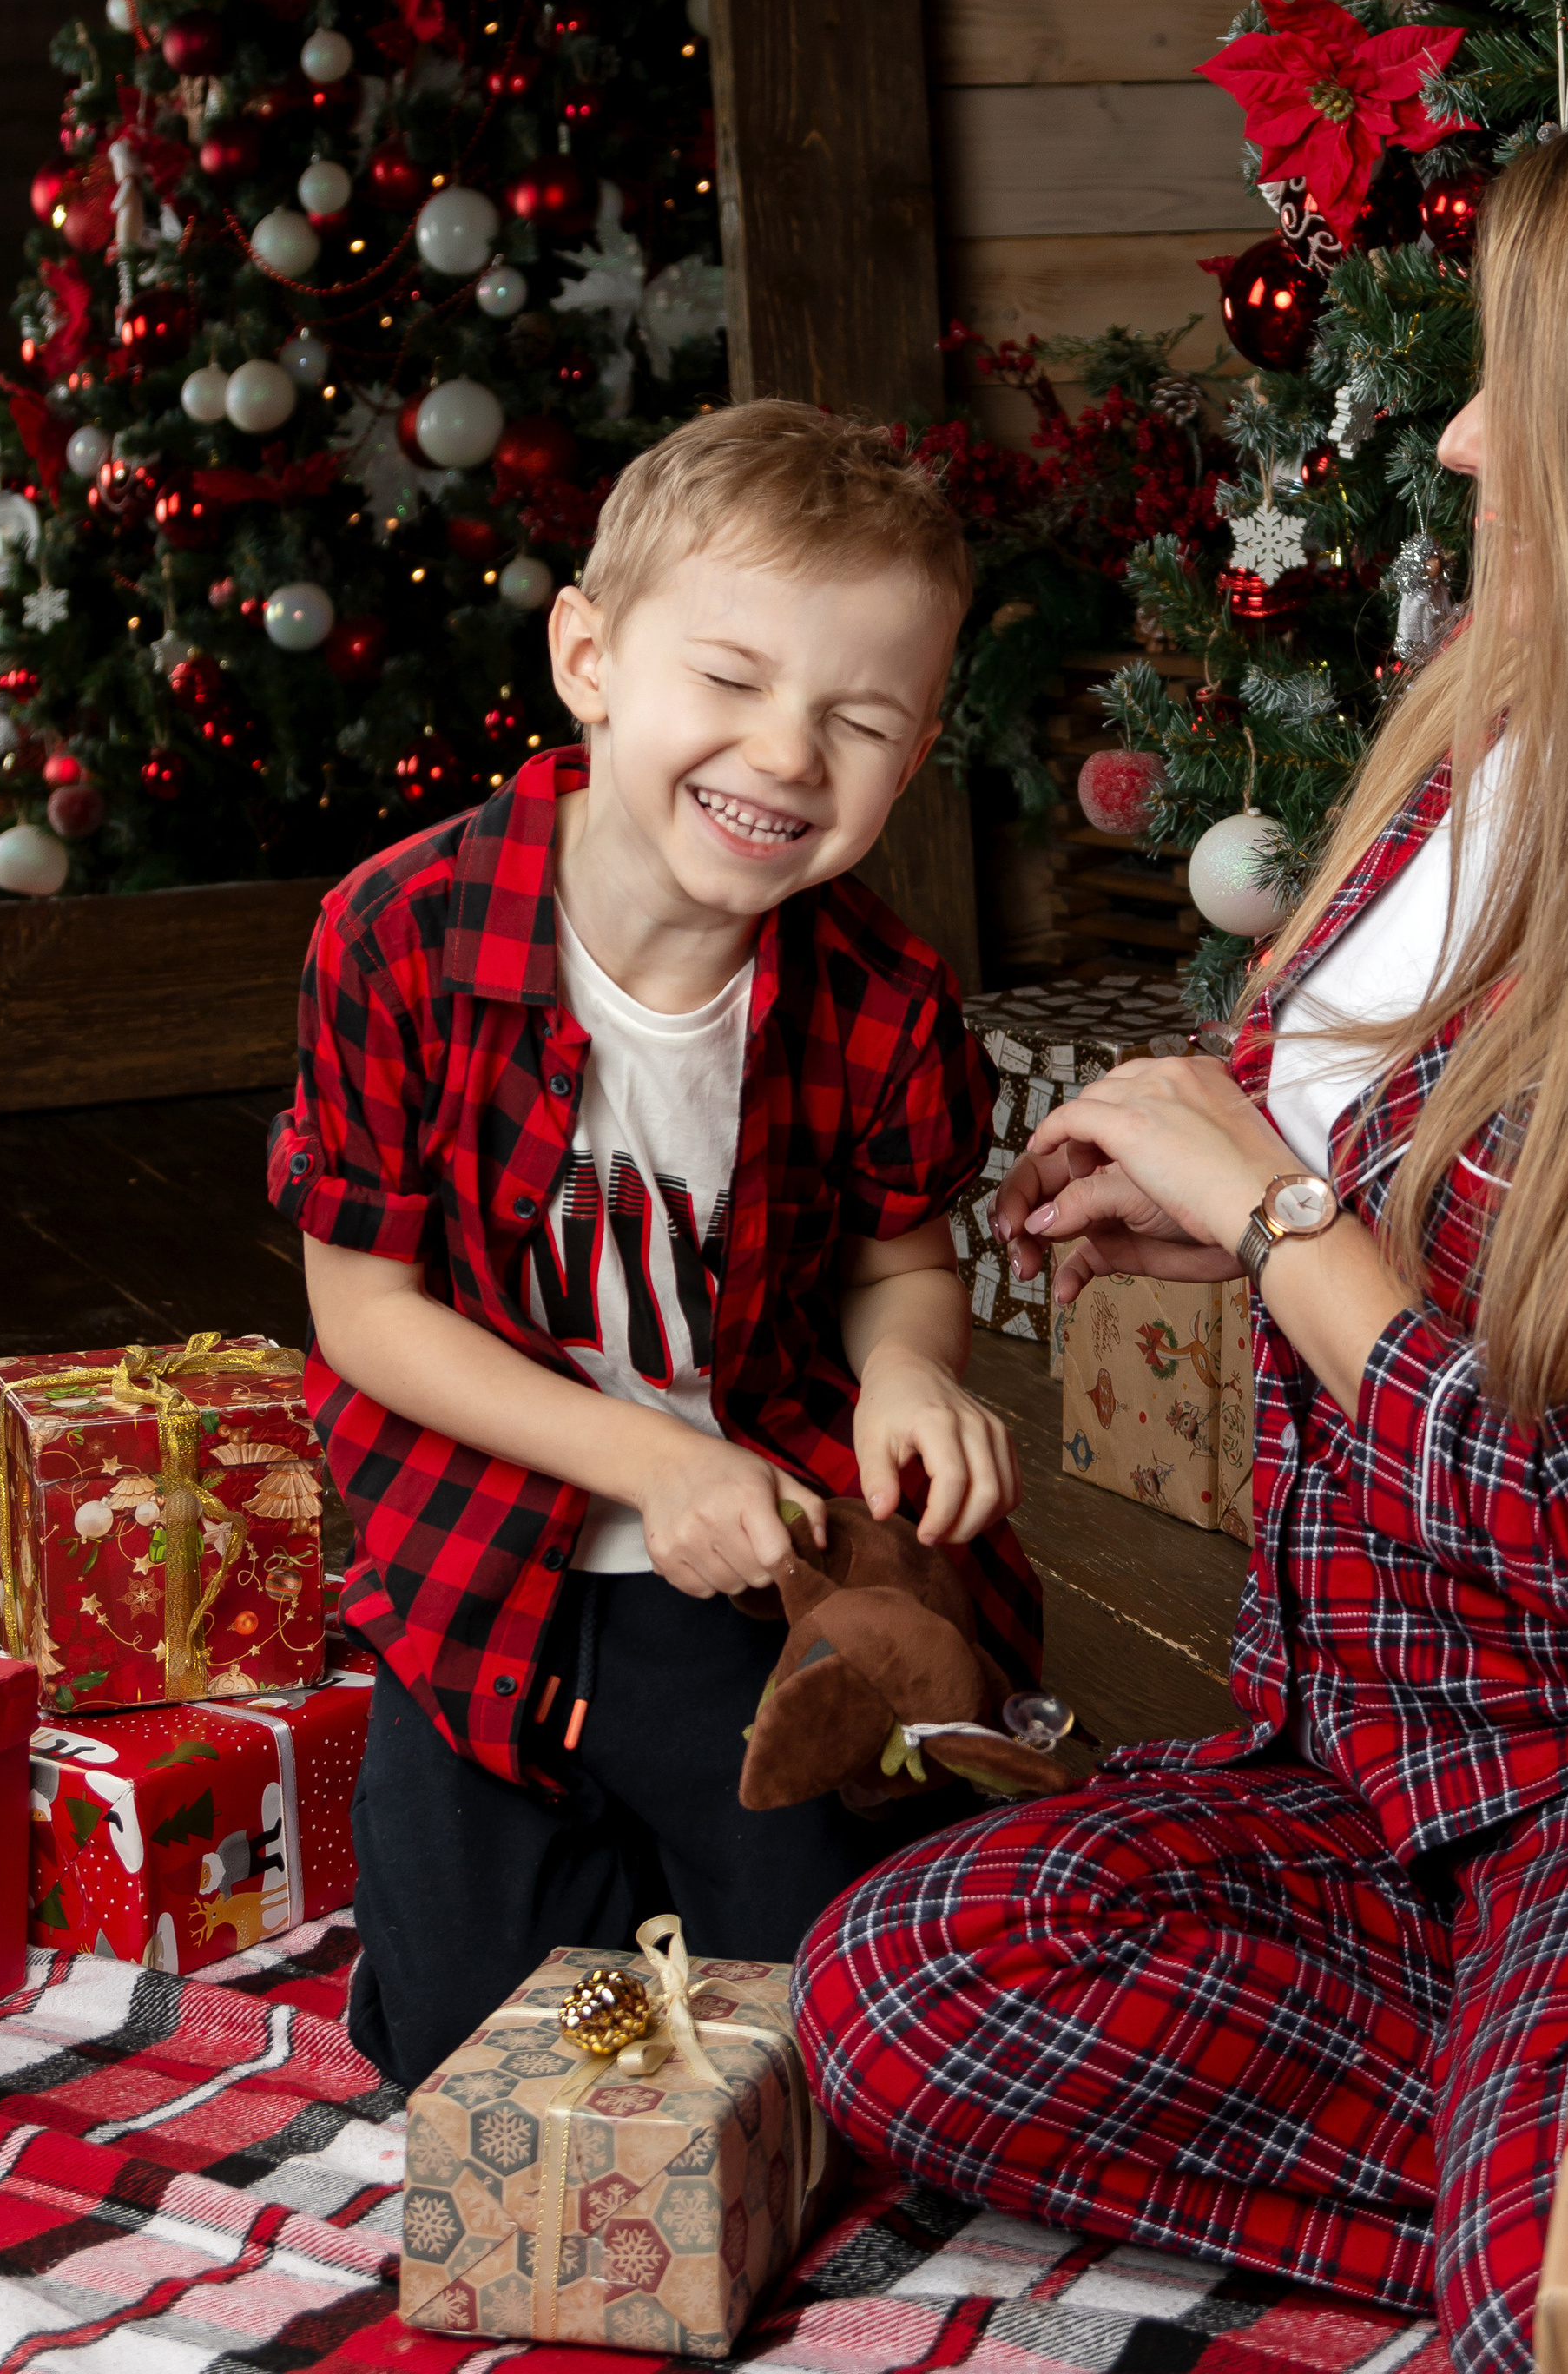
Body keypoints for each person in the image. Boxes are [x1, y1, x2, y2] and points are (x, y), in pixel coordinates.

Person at [792, 91, 1568, 2371]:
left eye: (1517, 394)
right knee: (908, 1986)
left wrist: (1277, 1222)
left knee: (1559, 2322)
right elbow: (1405, 1165)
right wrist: (1226, 1207)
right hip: (1399, 1752)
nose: (1455, 444)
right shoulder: (1491, 735)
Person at [273, 400, 1034, 2090]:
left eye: (855, 720)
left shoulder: (882, 1001)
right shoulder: (398, 935)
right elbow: (366, 1313)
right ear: (591, 656)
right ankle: (565, 1880)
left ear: (907, 763)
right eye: (732, 680)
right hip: (478, 1566)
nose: (782, 757)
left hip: (759, 1577)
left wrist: (908, 1374)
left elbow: (902, 1263)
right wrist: (638, 1459)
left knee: (817, 2034)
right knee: (468, 2062)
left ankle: (706, 1882)